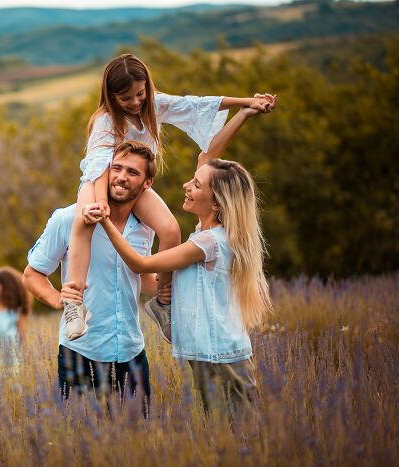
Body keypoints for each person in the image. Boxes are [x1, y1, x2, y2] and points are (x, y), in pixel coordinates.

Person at [64, 53, 276, 341]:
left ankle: (162, 302)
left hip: (134, 184)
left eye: (140, 94)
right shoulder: (105, 120)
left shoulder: (153, 105)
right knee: (84, 217)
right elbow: (99, 163)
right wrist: (101, 201)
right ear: (111, 97)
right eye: (126, 98)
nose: (136, 102)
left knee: (170, 229)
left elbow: (195, 104)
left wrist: (246, 103)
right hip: (101, 179)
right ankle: (74, 303)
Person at [96, 106, 272, 419]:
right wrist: (243, 115)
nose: (186, 186)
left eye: (196, 185)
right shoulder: (209, 233)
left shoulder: (208, 242)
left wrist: (105, 219)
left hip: (220, 357)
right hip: (210, 354)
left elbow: (139, 263)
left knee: (239, 434)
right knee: (220, 432)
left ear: (215, 202)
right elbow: (208, 157)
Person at [23, 141, 160, 413]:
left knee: (139, 438)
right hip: (81, 352)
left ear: (147, 183)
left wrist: (171, 283)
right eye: (116, 168)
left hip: (132, 352)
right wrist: (57, 299)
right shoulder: (67, 218)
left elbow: (138, 278)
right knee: (81, 442)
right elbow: (32, 274)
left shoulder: (146, 227)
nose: (121, 176)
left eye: (132, 172)